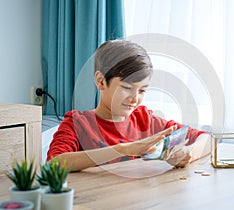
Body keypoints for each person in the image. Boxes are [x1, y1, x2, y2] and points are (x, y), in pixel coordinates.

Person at [47, 40, 211, 172]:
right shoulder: (78, 124)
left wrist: (189, 153)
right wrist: (124, 149)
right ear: (100, 81)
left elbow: (207, 139)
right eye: (126, 88)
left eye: (142, 90)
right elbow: (54, 163)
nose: (135, 99)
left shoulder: (144, 120)